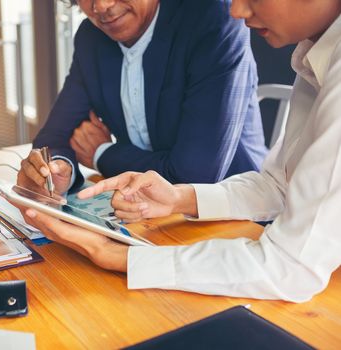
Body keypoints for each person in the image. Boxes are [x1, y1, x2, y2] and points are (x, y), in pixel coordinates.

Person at [20, 0, 341, 303]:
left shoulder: (210, 21)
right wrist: (179, 198)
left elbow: (290, 268)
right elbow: (278, 186)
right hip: (221, 230)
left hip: (267, 244)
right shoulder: (316, 54)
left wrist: (117, 254)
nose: (237, 10)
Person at [17, 0, 267, 196]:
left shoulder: (213, 20)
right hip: (144, 213)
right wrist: (58, 170)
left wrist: (102, 154)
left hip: (234, 214)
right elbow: (54, 137)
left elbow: (195, 176)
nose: (101, 6)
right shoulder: (91, 38)